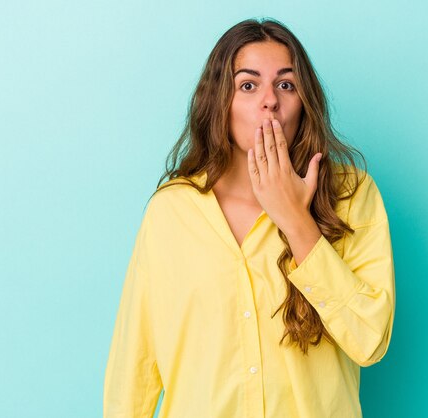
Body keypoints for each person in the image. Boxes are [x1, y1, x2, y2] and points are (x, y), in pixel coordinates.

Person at [103, 17, 395, 418]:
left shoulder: (351, 194)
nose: (270, 100)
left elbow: (370, 340)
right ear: (220, 102)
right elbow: (133, 365)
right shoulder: (171, 211)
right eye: (248, 85)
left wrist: (296, 221)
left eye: (286, 85)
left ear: (303, 103)